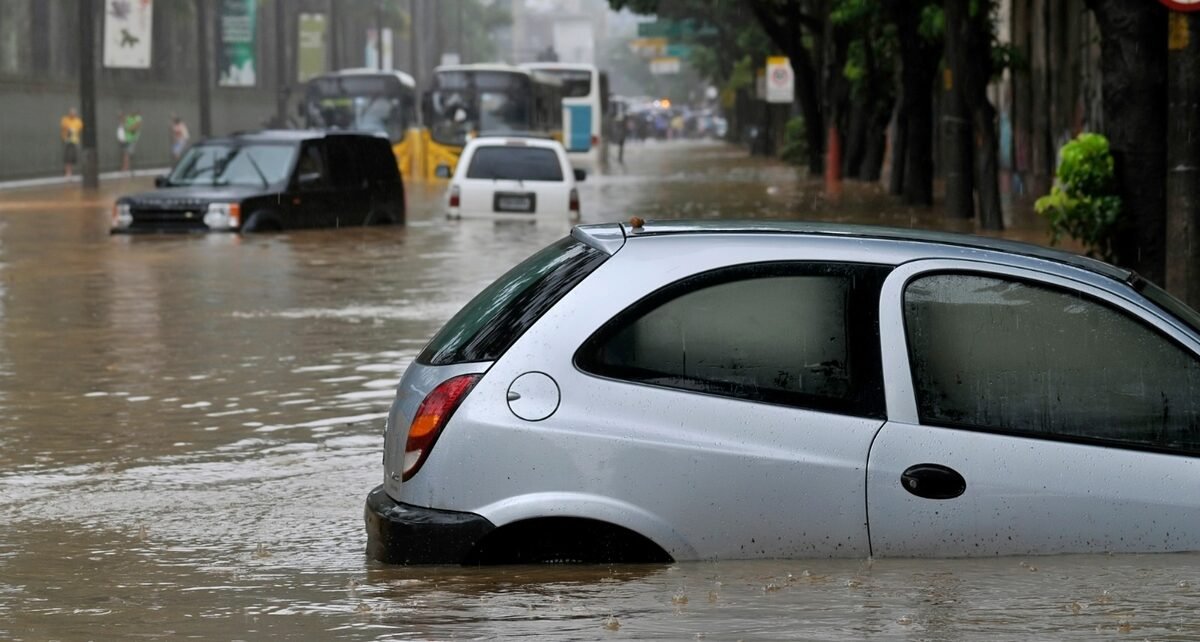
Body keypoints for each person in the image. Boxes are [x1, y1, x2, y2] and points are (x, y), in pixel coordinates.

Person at [60, 108, 83, 177]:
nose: (72, 114)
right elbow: (64, 126)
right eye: (71, 113)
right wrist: (69, 129)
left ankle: (70, 173)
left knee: (72, 158)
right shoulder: (65, 120)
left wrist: (72, 130)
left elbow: (78, 129)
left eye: (74, 113)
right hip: (67, 141)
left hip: (74, 141)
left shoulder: (78, 121)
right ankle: (68, 173)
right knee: (67, 158)